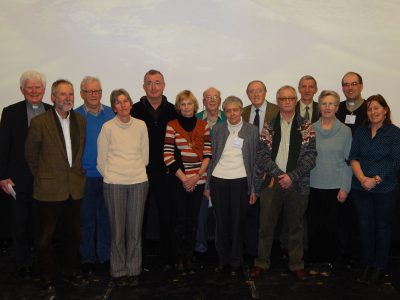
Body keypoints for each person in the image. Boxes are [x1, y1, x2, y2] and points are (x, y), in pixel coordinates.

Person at [25, 79, 87, 296]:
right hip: (48, 190)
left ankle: (71, 272)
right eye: (62, 94)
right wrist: (45, 177)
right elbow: (31, 157)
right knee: (45, 238)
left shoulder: (80, 120)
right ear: (52, 97)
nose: (67, 98)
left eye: (70, 94)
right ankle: (47, 277)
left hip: (74, 188)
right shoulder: (40, 123)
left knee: (73, 235)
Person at [251, 85, 316, 280]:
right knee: (266, 226)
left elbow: (311, 156)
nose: (286, 101)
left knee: (296, 227)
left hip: (297, 184)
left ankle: (296, 264)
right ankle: (262, 262)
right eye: (282, 98)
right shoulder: (269, 126)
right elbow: (262, 156)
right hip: (272, 182)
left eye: (290, 98)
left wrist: (292, 176)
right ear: (278, 101)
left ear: (294, 100)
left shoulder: (306, 126)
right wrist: (280, 175)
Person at [0, 70, 51, 279]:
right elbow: (3, 147)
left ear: (44, 90)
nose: (34, 91)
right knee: (20, 223)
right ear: (22, 90)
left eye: (38, 87)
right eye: (29, 87)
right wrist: (2, 176)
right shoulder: (10, 112)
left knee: (42, 224)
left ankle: (41, 261)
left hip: (46, 180)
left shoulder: (52, 111)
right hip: (18, 179)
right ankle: (23, 262)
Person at [97, 89, 149, 287]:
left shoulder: (141, 125)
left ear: (130, 104)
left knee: (135, 230)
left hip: (138, 182)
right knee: (117, 230)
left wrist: (132, 171)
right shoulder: (107, 127)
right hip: (114, 184)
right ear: (113, 106)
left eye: (126, 101)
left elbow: (145, 156)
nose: (123, 105)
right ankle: (118, 270)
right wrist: (113, 175)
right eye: (118, 102)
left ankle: (134, 270)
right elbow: (101, 161)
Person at [349, 94, 400, 284]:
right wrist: (363, 178)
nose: (373, 112)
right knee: (365, 227)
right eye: (370, 109)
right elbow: (353, 157)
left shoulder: (395, 133)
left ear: (385, 110)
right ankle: (367, 264)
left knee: (382, 228)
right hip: (360, 188)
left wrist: (375, 179)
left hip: (385, 188)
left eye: (377, 108)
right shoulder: (361, 132)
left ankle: (380, 266)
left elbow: (396, 161)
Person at [206, 96, 258, 276]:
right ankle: (223, 259)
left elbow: (255, 162)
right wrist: (207, 186)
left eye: (235, 110)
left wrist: (253, 188)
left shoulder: (252, 131)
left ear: (241, 110)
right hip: (219, 180)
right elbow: (211, 159)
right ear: (224, 112)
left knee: (237, 222)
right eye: (228, 110)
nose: (232, 114)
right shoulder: (218, 129)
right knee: (221, 223)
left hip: (241, 181)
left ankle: (236, 260)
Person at [130, 70, 177, 270]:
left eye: (157, 82)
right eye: (149, 83)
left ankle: (168, 257)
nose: (153, 87)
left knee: (168, 216)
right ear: (143, 86)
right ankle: (138, 259)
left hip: (167, 173)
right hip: (141, 172)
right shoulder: (134, 110)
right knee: (139, 217)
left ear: (164, 85)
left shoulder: (174, 111)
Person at [163, 90, 211, 273]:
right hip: (179, 181)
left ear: (195, 106)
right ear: (178, 107)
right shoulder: (171, 125)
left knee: (193, 221)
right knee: (179, 221)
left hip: (198, 180)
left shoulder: (204, 125)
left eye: (189, 103)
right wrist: (184, 179)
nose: (186, 107)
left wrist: (197, 177)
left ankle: (190, 257)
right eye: (182, 104)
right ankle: (179, 258)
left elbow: (208, 154)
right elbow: (167, 155)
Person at [307, 90, 352, 277]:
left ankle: (328, 262)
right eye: (324, 103)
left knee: (331, 226)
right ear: (319, 106)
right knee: (314, 226)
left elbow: (348, 161)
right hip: (313, 185)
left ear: (337, 107)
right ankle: (315, 260)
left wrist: (345, 187)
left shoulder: (345, 131)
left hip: (335, 187)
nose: (327, 107)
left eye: (331, 104)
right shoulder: (310, 129)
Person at [75, 76, 115, 275]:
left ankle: (105, 257)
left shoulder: (111, 114)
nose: (93, 95)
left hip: (108, 176)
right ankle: (88, 258)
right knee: (87, 220)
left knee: (106, 220)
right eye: (89, 91)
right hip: (85, 176)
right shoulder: (73, 116)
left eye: (97, 91)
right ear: (82, 93)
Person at [241, 80, 279, 258]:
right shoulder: (243, 112)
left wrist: (270, 169)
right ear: (247, 94)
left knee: (269, 214)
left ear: (265, 92)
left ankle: (268, 252)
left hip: (271, 171)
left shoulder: (277, 110)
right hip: (248, 170)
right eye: (251, 91)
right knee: (252, 212)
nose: (255, 94)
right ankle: (252, 251)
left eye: (259, 91)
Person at [336, 71, 368, 267]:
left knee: (360, 217)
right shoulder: (337, 109)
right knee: (342, 217)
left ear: (361, 86)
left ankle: (360, 257)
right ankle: (343, 254)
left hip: (364, 171)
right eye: (346, 84)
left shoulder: (369, 108)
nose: (350, 87)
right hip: (341, 172)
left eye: (354, 84)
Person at [195, 87, 226, 255]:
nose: (212, 100)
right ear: (203, 101)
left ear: (220, 100)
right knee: (200, 216)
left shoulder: (228, 118)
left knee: (223, 215)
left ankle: (222, 249)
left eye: (215, 97)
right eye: (208, 97)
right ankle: (200, 246)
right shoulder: (196, 119)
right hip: (199, 172)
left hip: (224, 172)